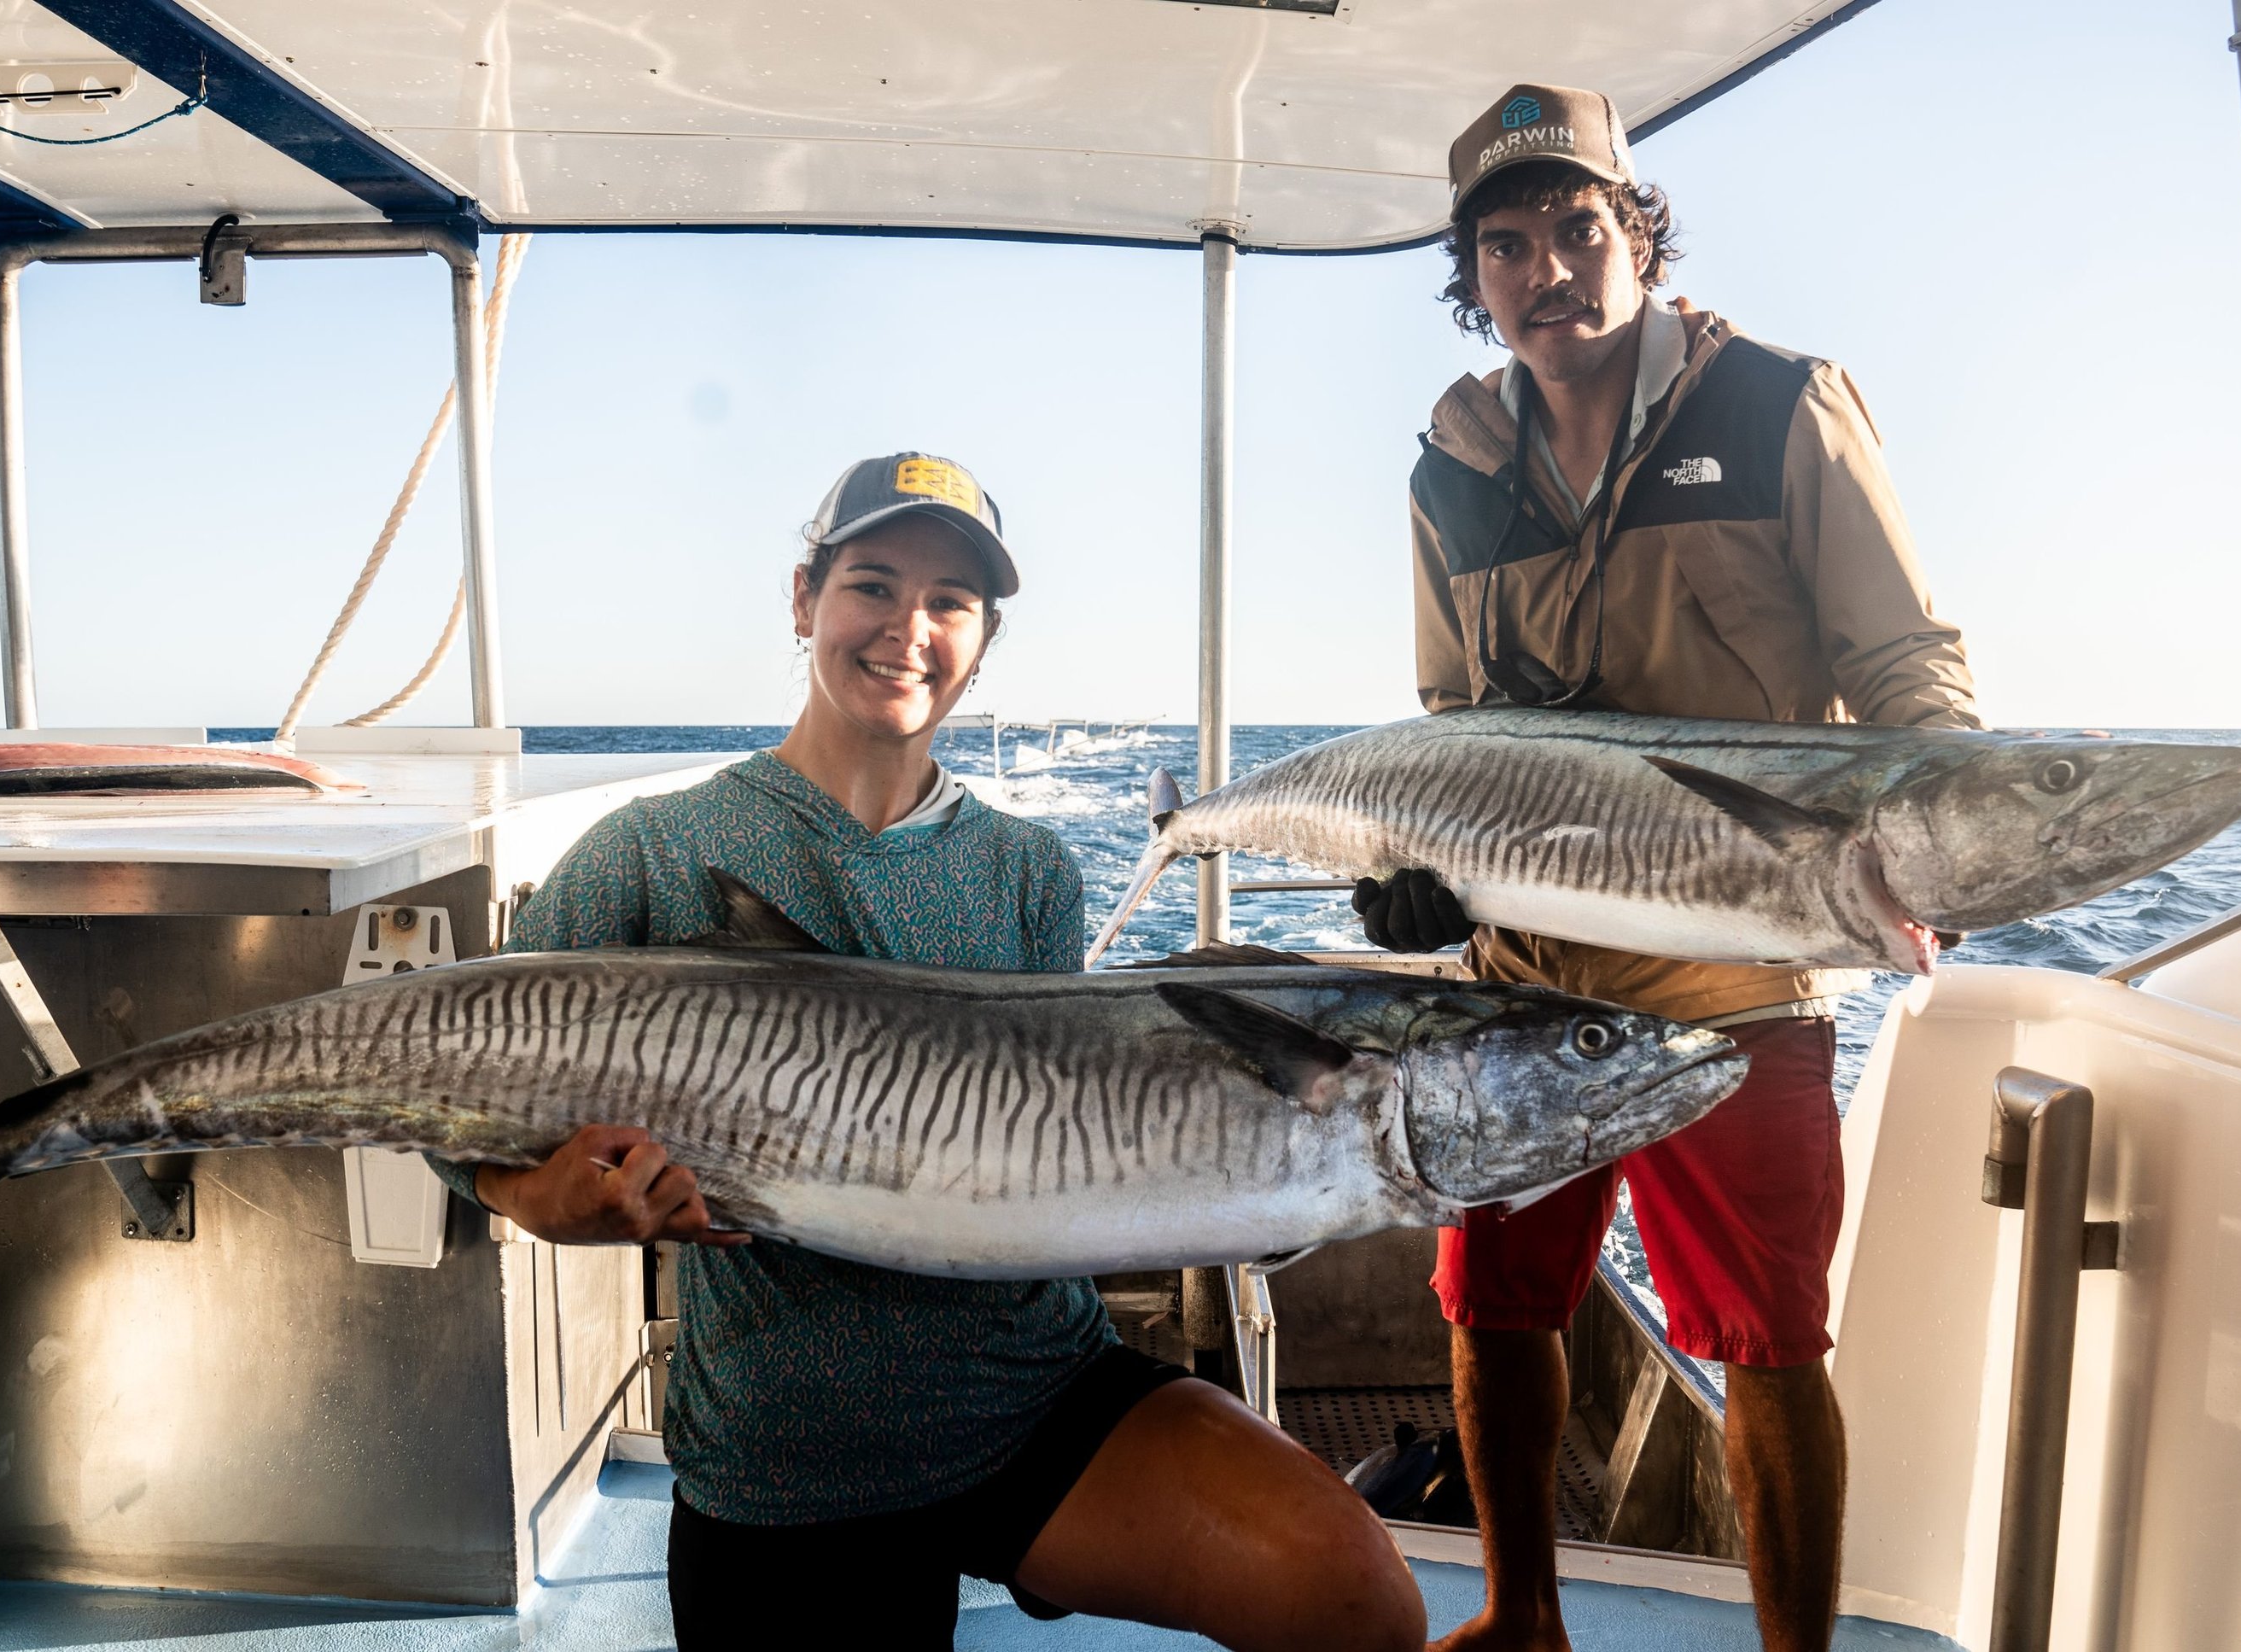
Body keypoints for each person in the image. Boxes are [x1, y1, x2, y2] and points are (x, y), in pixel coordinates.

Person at [434, 453, 1426, 1651]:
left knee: (1353, 1593)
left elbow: (1069, 1130)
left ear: (983, 640)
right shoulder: (651, 852)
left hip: (1034, 1389)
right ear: (803, 601)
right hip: (794, 1443)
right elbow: (451, 1091)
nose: (909, 626)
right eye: (873, 584)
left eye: (951, 601)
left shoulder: (1028, 873)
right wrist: (548, 1202)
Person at [1358, 88, 1980, 1652]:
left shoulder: (1780, 404)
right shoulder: (1450, 466)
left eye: (1579, 228)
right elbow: (1454, 721)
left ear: (1638, 233)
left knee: (1768, 1333)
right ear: (1474, 276)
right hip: (1525, 971)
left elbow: (1903, 657)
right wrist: (1423, 871)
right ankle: (1521, 1616)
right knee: (1489, 1304)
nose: (1547, 268)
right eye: (1507, 246)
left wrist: (1945, 827)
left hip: (1734, 974)